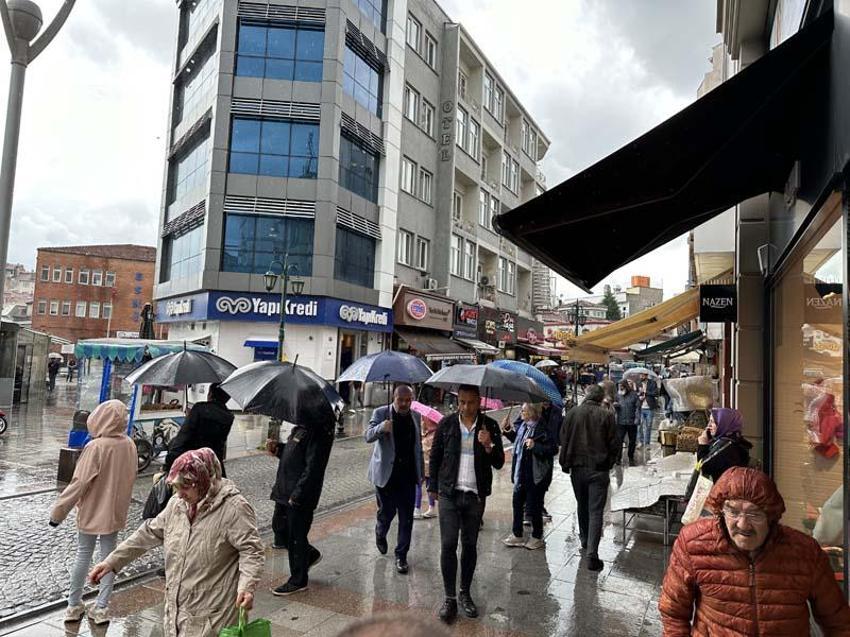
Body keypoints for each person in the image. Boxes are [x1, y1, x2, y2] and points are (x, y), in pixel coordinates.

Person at [89, 448, 264, 637]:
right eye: (176, 487)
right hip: (178, 612)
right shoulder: (177, 504)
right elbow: (150, 531)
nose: (180, 494)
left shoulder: (234, 508)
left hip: (214, 615)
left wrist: (247, 587)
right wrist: (112, 561)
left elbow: (251, 551)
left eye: (186, 486)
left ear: (204, 481)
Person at [658, 467, 850, 635]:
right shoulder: (694, 544)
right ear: (720, 511)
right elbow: (673, 612)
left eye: (754, 514)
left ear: (771, 516)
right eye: (733, 512)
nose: (743, 524)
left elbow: (838, 621)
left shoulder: (805, 552)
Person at [50, 400, 137, 624]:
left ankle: (73, 605)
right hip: (115, 510)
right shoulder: (129, 444)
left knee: (83, 554)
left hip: (91, 509)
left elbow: (79, 483)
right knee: (110, 558)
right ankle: (101, 608)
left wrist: (59, 512)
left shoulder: (96, 447)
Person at [429, 384, 504, 624]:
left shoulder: (489, 426)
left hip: (475, 496)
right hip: (450, 493)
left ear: (479, 401)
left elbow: (500, 462)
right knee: (449, 544)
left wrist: (488, 445)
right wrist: (433, 487)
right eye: (462, 402)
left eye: (471, 402)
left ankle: (465, 593)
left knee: (469, 545)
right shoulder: (447, 424)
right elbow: (435, 456)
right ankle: (449, 598)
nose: (466, 407)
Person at [268, 415, 335, 596]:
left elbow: (313, 468)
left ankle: (298, 580)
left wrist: (298, 494)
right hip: (284, 489)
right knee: (279, 528)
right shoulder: (301, 427)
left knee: (295, 536)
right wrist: (279, 450)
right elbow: (294, 455)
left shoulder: (320, 432)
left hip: (299, 495)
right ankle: (309, 554)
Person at [559, 384, 620, 571]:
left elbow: (563, 439)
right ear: (601, 398)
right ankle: (592, 551)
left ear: (586, 395)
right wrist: (608, 463)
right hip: (598, 470)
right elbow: (615, 444)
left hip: (577, 469)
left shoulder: (572, 413)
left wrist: (565, 464)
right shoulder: (607, 415)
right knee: (595, 511)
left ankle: (585, 540)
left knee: (582, 505)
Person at [365, 385, 424, 575]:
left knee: (407, 519)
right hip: (386, 476)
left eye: (409, 400)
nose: (405, 403)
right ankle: (380, 531)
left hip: (407, 476)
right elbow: (367, 436)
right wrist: (382, 427)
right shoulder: (381, 412)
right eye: (401, 400)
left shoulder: (415, 416)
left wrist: (421, 472)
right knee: (387, 513)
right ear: (394, 398)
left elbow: (418, 447)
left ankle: (401, 556)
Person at [501, 402, 557, 550]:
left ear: (532, 412)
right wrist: (507, 431)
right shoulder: (524, 427)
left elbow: (552, 449)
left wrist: (535, 446)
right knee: (517, 503)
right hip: (521, 472)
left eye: (524, 410)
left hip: (536, 475)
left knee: (535, 506)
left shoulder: (543, 428)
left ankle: (537, 536)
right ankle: (517, 534)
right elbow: (519, 443)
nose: (521, 412)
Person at [163, 383, 234, 478]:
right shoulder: (228, 417)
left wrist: (169, 463)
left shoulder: (200, 409)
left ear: (210, 394)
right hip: (213, 468)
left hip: (192, 466)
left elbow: (183, 438)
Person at [695, 407, 752, 483]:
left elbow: (704, 467)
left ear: (723, 424)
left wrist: (703, 445)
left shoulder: (726, 446)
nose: (709, 426)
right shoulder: (732, 440)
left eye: (713, 422)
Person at [415, 414, 439, 519]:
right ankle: (431, 507)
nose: (422, 423)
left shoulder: (429, 437)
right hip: (430, 468)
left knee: (418, 484)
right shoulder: (434, 435)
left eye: (423, 420)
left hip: (424, 466)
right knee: (429, 485)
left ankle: (417, 508)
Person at [613, 380, 640, 466]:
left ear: (626, 386)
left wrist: (637, 418)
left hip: (632, 422)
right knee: (619, 440)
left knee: (632, 441)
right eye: (619, 386)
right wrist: (615, 406)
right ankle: (618, 458)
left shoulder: (634, 395)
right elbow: (614, 405)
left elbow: (638, 408)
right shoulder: (618, 395)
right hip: (621, 422)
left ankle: (631, 457)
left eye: (622, 386)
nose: (620, 388)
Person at [637, 372, 658, 448]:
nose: (641, 376)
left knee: (648, 426)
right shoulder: (638, 383)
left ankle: (647, 443)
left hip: (649, 407)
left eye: (642, 375)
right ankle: (640, 441)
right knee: (639, 426)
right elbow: (636, 393)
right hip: (640, 407)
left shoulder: (652, 383)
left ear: (646, 375)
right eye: (640, 375)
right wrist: (639, 396)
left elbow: (655, 393)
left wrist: (645, 392)